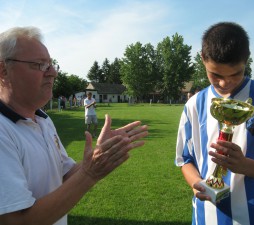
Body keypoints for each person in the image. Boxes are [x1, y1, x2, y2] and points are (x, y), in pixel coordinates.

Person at [0, 26, 148, 225]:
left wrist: (98, 154)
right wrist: (90, 174)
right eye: (40, 65)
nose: (53, 73)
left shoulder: (42, 119)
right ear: (3, 71)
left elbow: (64, 174)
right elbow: (15, 221)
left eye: (51, 65)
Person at [175, 22, 254, 225]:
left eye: (235, 74)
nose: (224, 83)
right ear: (203, 58)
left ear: (246, 60)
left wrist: (244, 165)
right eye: (216, 75)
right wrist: (196, 184)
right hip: (206, 218)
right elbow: (184, 160)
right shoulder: (193, 105)